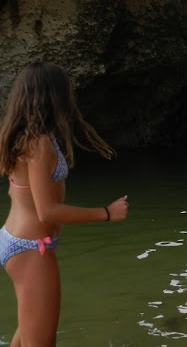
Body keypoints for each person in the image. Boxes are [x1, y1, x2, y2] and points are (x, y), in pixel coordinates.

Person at [0, 62, 129, 346]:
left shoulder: (26, 137)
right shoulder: (38, 144)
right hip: (31, 248)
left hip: (19, 241)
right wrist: (107, 213)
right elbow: (47, 211)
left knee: (26, 335)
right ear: (51, 97)